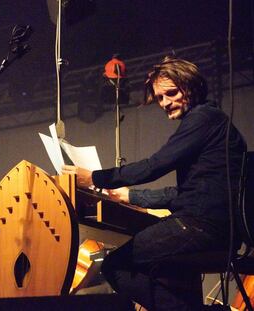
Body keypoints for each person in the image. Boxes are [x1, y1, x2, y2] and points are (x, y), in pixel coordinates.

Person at [62, 56, 247, 310]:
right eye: (160, 98)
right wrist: (131, 197)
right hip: (218, 229)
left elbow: (154, 166)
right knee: (162, 267)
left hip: (202, 227)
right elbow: (185, 194)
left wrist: (93, 178)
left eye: (171, 93)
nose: (165, 103)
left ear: (190, 87)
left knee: (115, 266)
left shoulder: (203, 119)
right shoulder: (212, 121)